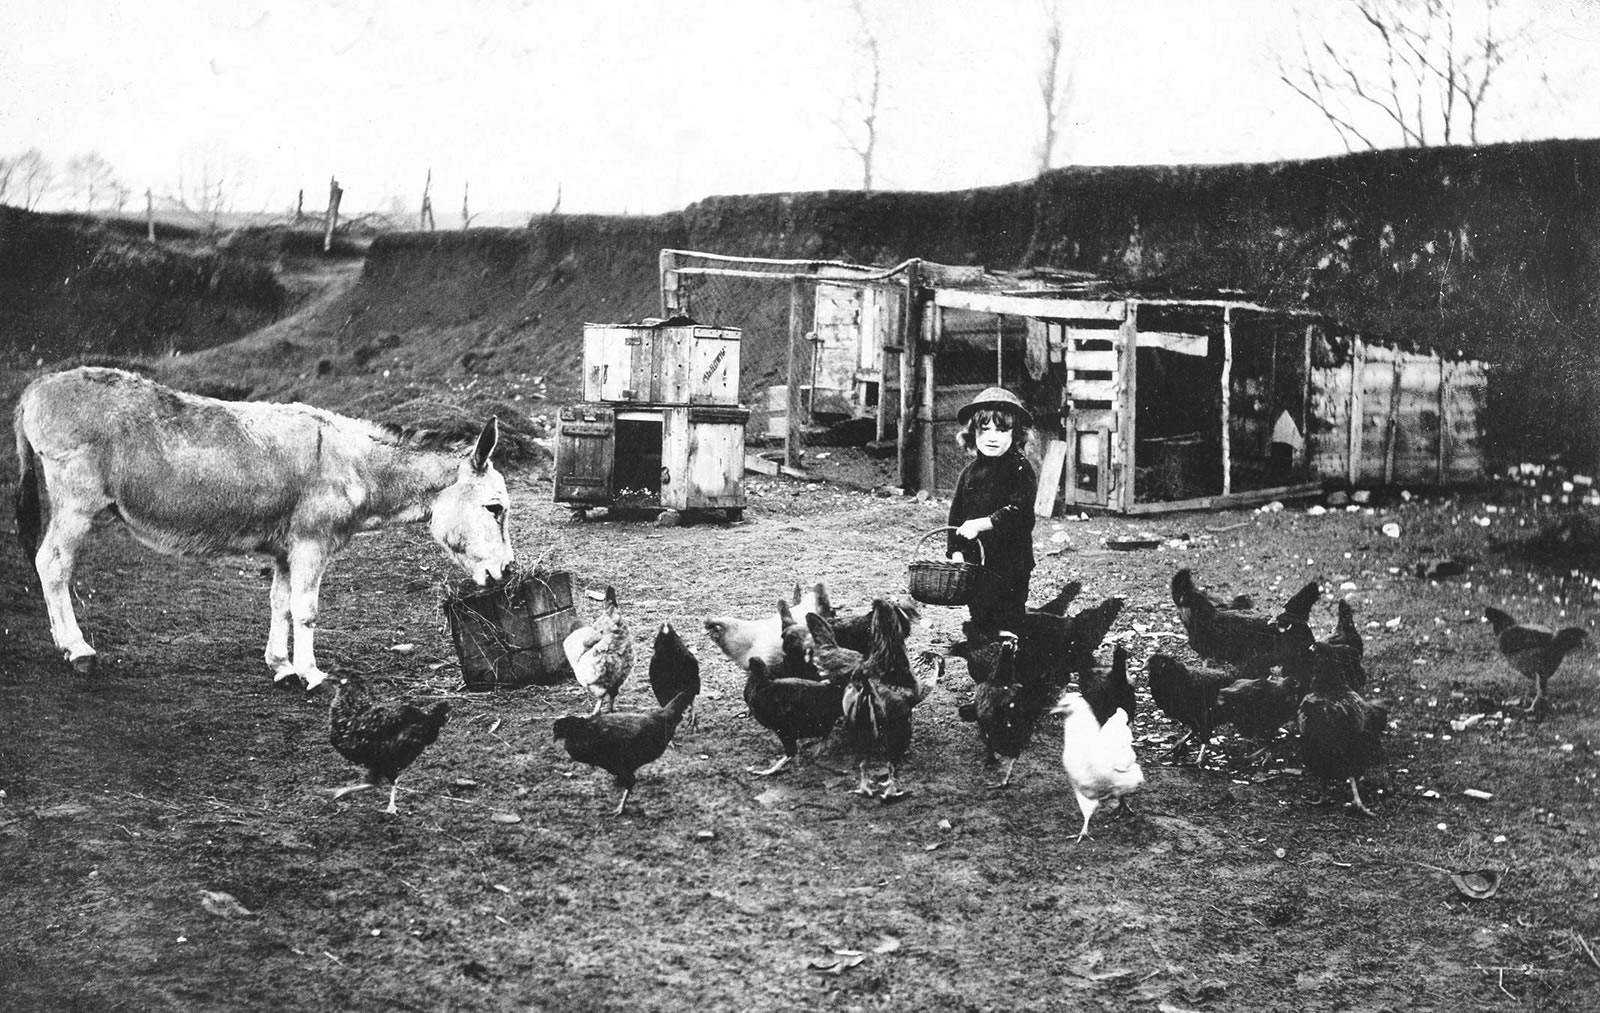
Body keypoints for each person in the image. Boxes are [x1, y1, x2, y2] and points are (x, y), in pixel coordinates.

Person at [947, 387, 1038, 636]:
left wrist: (982, 523)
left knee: (1009, 617)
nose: (992, 437)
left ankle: (1011, 665)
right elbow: (956, 518)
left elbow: (1020, 513)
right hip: (976, 562)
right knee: (980, 614)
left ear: (1016, 433)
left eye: (1001, 430)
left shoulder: (1020, 468)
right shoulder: (969, 473)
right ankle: (988, 661)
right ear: (972, 433)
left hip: (1012, 561)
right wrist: (955, 552)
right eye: (984, 429)